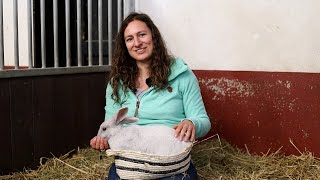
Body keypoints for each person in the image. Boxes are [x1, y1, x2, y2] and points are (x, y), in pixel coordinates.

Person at [90, 12, 211, 180]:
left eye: (142, 35)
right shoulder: (116, 84)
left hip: (169, 162)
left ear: (153, 36)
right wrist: (102, 142)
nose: (137, 43)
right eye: (130, 39)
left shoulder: (182, 76)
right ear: (125, 45)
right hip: (131, 164)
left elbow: (203, 121)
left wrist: (192, 123)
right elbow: (111, 127)